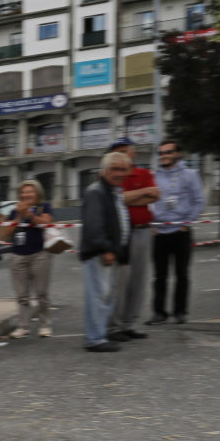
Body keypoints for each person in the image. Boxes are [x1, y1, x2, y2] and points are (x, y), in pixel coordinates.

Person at [79, 151, 133, 352]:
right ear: (104, 170)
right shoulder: (97, 191)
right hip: (100, 254)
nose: (119, 173)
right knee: (98, 296)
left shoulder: (113, 191)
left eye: (122, 169)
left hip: (110, 253)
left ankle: (99, 335)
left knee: (105, 296)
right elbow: (94, 226)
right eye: (114, 169)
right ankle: (94, 339)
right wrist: (106, 249)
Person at [107, 137, 158, 342]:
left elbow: (155, 195)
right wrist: (142, 193)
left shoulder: (143, 173)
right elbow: (117, 199)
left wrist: (132, 195)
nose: (121, 155)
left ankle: (130, 323)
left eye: (124, 150)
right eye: (117, 151)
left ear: (133, 153)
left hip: (143, 230)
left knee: (138, 279)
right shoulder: (111, 176)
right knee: (120, 281)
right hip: (121, 232)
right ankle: (114, 325)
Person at [149, 140, 203, 325]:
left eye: (168, 152)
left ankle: (180, 312)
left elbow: (198, 201)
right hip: (160, 233)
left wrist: (187, 224)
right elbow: (149, 200)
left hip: (181, 231)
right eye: (161, 153)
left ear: (177, 154)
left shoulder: (190, 175)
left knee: (182, 274)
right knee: (159, 276)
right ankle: (159, 313)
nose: (164, 156)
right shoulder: (154, 175)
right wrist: (152, 224)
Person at [3, 180, 55, 338]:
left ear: (37, 193)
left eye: (30, 192)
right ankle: (23, 326)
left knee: (41, 292)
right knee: (21, 294)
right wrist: (18, 215)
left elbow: (46, 222)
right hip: (18, 255)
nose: (26, 195)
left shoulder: (43, 207)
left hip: (40, 254)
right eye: (23, 192)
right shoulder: (14, 210)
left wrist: (29, 215)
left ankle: (45, 324)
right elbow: (6, 232)